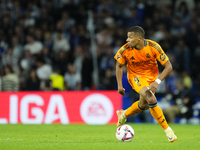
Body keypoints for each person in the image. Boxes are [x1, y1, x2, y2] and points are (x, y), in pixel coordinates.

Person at [114, 26, 177, 142]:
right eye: (127, 37)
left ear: (139, 38)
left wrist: (157, 81)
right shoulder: (125, 50)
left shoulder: (153, 47)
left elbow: (169, 66)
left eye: (130, 37)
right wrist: (119, 85)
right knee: (151, 99)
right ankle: (168, 130)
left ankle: (123, 114)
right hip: (136, 77)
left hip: (151, 78)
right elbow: (118, 65)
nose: (127, 40)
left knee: (144, 105)